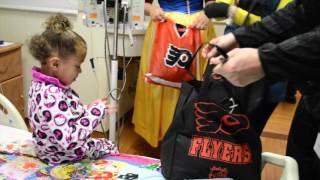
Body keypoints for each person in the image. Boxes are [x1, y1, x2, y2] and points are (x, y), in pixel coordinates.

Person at [202, 0, 320, 179]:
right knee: (300, 158)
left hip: (274, 72)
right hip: (311, 90)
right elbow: (301, 11)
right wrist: (240, 37)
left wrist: (265, 60)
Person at [27, 13, 118, 165]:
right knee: (110, 148)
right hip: (63, 156)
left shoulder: (41, 86)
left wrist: (85, 109)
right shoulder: (50, 96)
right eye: (77, 66)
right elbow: (70, 141)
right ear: (55, 64)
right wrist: (94, 113)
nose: (80, 71)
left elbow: (61, 115)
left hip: (52, 150)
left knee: (105, 144)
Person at [132, 0, 216, 147]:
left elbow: (211, 2)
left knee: (197, 84)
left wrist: (207, 13)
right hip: (165, 28)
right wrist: (151, 9)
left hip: (199, 28)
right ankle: (165, 136)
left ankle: (191, 137)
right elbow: (142, 3)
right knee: (161, 84)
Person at [203, 0, 292, 135]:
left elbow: (284, 25)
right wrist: (226, 10)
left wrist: (233, 12)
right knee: (212, 125)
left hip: (268, 65)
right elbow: (218, 9)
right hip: (230, 56)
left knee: (249, 132)